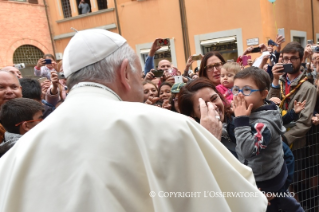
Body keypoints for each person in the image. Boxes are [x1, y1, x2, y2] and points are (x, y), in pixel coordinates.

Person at [0, 29, 268, 212]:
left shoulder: (15, 156)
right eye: (140, 75)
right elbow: (243, 201)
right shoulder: (169, 127)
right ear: (125, 72)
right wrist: (206, 143)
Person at [232, 67, 303, 212]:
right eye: (235, 89)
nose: (239, 96)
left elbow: (247, 150)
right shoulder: (260, 110)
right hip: (270, 173)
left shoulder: (263, 124)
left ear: (263, 94)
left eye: (246, 90)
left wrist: (240, 120)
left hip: (265, 182)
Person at [268, 42, 317, 150]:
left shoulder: (308, 87)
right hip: (275, 138)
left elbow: (304, 122)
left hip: (295, 144)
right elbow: (268, 105)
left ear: (301, 59)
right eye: (285, 58)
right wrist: (275, 79)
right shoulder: (279, 81)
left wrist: (284, 138)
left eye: (293, 58)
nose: (288, 62)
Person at [0, 70, 23, 142]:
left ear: (21, 90)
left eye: (14, 87)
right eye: (1, 87)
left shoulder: (33, 114)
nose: (9, 91)